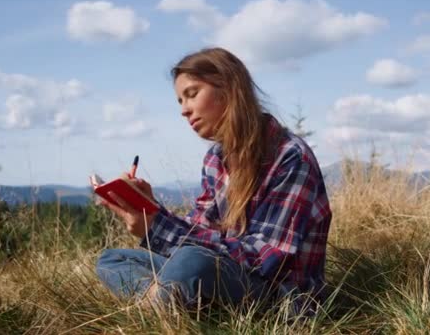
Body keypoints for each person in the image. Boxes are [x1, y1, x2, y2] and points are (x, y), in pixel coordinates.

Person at [95, 47, 332, 315]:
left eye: (192, 94)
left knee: (191, 261)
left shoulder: (289, 156)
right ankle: (166, 299)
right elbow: (201, 228)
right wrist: (152, 209)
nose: (184, 110)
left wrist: (157, 228)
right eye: (180, 101)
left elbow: (263, 258)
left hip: (280, 297)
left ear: (230, 88)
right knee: (112, 259)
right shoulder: (216, 159)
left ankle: (163, 302)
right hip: (227, 275)